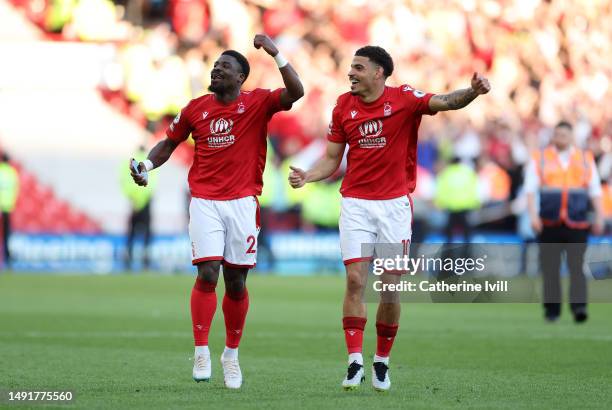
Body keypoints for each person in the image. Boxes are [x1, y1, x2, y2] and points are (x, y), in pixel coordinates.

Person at [289, 46, 490, 391]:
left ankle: (381, 361)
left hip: (395, 206)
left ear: (379, 72)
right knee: (355, 280)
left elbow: (446, 101)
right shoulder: (342, 106)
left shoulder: (405, 99)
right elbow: (332, 159)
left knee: (390, 289)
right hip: (355, 204)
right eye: (350, 67)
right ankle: (354, 362)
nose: (350, 73)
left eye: (358, 67)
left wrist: (472, 91)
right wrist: (308, 175)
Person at [129, 34, 304, 389]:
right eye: (214, 65)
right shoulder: (196, 108)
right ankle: (200, 350)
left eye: (225, 66)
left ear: (241, 77)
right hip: (206, 201)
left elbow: (296, 92)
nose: (216, 69)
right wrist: (147, 164)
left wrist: (276, 53)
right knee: (208, 273)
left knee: (236, 282)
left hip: (242, 203)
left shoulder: (258, 102)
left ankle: (231, 354)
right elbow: (169, 143)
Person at [525, 121, 604, 323]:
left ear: (571, 137)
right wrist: (533, 216)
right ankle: (552, 311)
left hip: (577, 221)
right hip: (549, 221)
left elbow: (595, 190)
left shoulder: (585, 158)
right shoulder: (540, 157)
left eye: (564, 135)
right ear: (553, 136)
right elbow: (531, 190)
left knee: (577, 266)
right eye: (557, 134)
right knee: (550, 267)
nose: (560, 138)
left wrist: (600, 216)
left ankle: (579, 307)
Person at [121, 145, 155, 270]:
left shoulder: (128, 163)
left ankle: (128, 260)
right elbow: (152, 185)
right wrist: (143, 199)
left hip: (133, 202)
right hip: (145, 201)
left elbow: (124, 182)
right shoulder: (148, 162)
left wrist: (133, 199)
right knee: (147, 233)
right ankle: (145, 261)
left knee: (131, 233)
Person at [0, 153, 19, 269]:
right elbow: (16, 189)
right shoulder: (12, 173)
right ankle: (7, 259)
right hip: (8, 207)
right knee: (6, 235)